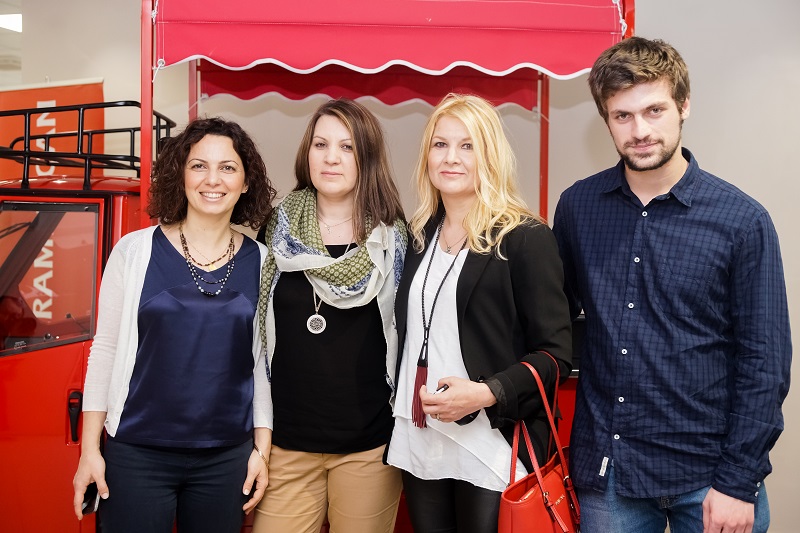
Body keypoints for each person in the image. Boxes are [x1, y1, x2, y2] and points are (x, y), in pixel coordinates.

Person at [552, 36, 792, 533]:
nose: (640, 130)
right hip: (610, 474)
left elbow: (764, 364)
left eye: (654, 110)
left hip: (710, 477)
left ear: (684, 105)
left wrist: (738, 482)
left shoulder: (742, 221)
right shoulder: (578, 207)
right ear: (606, 120)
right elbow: (553, 315)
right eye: (622, 116)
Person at [71, 117, 277, 532]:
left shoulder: (263, 261)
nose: (212, 179)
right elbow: (105, 349)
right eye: (199, 166)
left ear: (246, 182)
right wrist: (90, 450)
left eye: (228, 167)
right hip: (137, 453)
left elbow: (260, 364)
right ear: (180, 175)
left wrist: (261, 450)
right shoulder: (133, 252)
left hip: (226, 457)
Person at [386, 93, 573, 533]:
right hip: (421, 432)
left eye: (467, 146)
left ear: (490, 156)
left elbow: (555, 354)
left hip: (491, 438)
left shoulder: (524, 237)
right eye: (440, 144)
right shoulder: (418, 235)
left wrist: (487, 392)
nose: (451, 157)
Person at [251, 98, 407, 533]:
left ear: (367, 157)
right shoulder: (277, 229)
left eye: (347, 146)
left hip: (369, 448)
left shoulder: (394, 238)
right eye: (321, 144)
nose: (331, 158)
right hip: (284, 445)